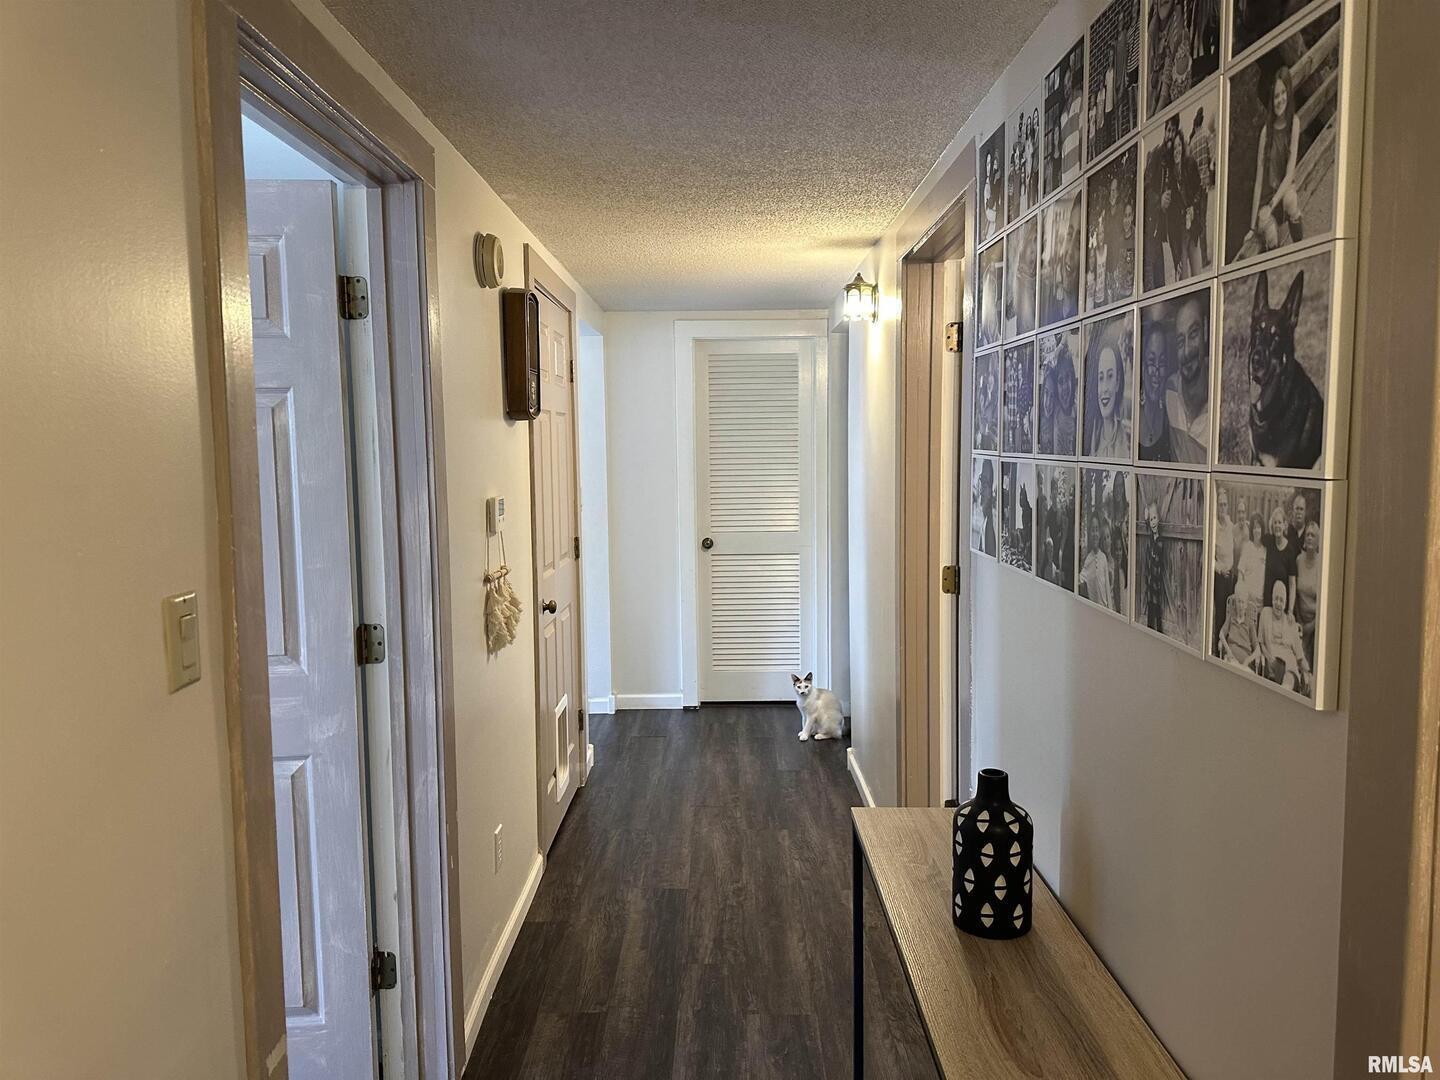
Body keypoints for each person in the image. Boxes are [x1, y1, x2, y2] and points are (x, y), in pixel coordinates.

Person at [1250, 65, 1303, 252]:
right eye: (1276, 96)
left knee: (1291, 200)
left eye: (1283, 93)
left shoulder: (1294, 123)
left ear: (1288, 92)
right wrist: (1251, 225)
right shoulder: (1266, 132)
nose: (1280, 100)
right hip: (1267, 197)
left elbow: (1290, 174)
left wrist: (1273, 205)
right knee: (1271, 235)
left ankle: (1300, 249)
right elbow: (1258, 178)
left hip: (1283, 191)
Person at [1163, 292, 1209, 463]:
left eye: (1194, 334)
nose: (1187, 350)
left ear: (1205, 330)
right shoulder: (1170, 391)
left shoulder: (1221, 394)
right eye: (1181, 342)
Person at [1258, 579, 1311, 693]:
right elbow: (1261, 643)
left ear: (1285, 603)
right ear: (1272, 599)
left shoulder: (1290, 621)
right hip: (1273, 666)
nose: (1278, 603)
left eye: (1281, 600)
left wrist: (1308, 672)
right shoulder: (1265, 614)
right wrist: (1268, 657)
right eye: (1276, 598)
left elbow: (1300, 655)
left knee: (1288, 681)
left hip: (1290, 669)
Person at [1088, 343, 1130, 458]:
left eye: (1110, 376)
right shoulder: (1091, 439)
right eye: (1101, 378)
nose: (1105, 388)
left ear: (1117, 382)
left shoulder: (1127, 440)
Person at [1138, 324, 1173, 461]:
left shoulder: (1169, 418)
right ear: (1141, 367)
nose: (1157, 372)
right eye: (1152, 361)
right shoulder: (1129, 417)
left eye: (1162, 362)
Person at [1213, 487, 1237, 653]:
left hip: (1231, 578)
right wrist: (1220, 570)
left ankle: (1228, 648)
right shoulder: (1214, 527)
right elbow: (1209, 557)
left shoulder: (1230, 525)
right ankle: (1216, 647)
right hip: (1220, 578)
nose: (1223, 508)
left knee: (1231, 613)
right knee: (1221, 613)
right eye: (1220, 505)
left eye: (1225, 505)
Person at [1294, 520, 1321, 667]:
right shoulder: (1299, 560)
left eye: (1313, 535)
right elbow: (1297, 596)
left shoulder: (1321, 564)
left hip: (1316, 623)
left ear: (1318, 541)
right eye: (1308, 535)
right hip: (1300, 621)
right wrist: (1299, 621)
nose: (1309, 537)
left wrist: (1311, 626)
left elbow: (1324, 605)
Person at [1262, 505, 1298, 614]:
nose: (1277, 525)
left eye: (1279, 522)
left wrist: (1290, 610)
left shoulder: (1290, 551)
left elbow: (1292, 584)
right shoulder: (1268, 541)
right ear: (1272, 525)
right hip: (1268, 604)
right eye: (1275, 522)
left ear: (1284, 525)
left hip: (1281, 606)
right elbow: (1256, 536)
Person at [1080, 511, 1113, 608]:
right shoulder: (1087, 560)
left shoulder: (1103, 558)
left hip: (1105, 609)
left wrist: (1110, 611)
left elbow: (1107, 588)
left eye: (1097, 529)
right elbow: (1080, 579)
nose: (1095, 534)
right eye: (1092, 530)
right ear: (1089, 533)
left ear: (1100, 533)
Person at [1142, 501, 1165, 633]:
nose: (1153, 522)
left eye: (1155, 518)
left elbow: (1158, 561)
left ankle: (1159, 629)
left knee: (1157, 606)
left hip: (1156, 580)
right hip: (1150, 580)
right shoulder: (1151, 537)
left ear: (1159, 519)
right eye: (1151, 520)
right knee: (1150, 604)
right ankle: (1150, 628)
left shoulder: (1160, 541)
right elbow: (1147, 525)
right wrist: (1146, 514)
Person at [1235, 513, 1267, 602]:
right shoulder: (1247, 547)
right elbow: (1240, 575)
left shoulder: (1266, 550)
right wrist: (1242, 594)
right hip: (1247, 602)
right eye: (1254, 527)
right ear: (1251, 530)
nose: (1257, 530)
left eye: (1259, 527)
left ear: (1262, 529)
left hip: (1260, 602)